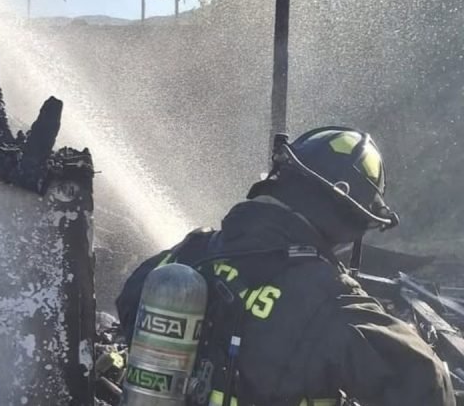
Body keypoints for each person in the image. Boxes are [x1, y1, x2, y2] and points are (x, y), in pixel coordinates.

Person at [116, 126, 455, 406]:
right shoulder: (328, 299)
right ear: (349, 220)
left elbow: (129, 300)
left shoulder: (193, 252)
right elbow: (425, 381)